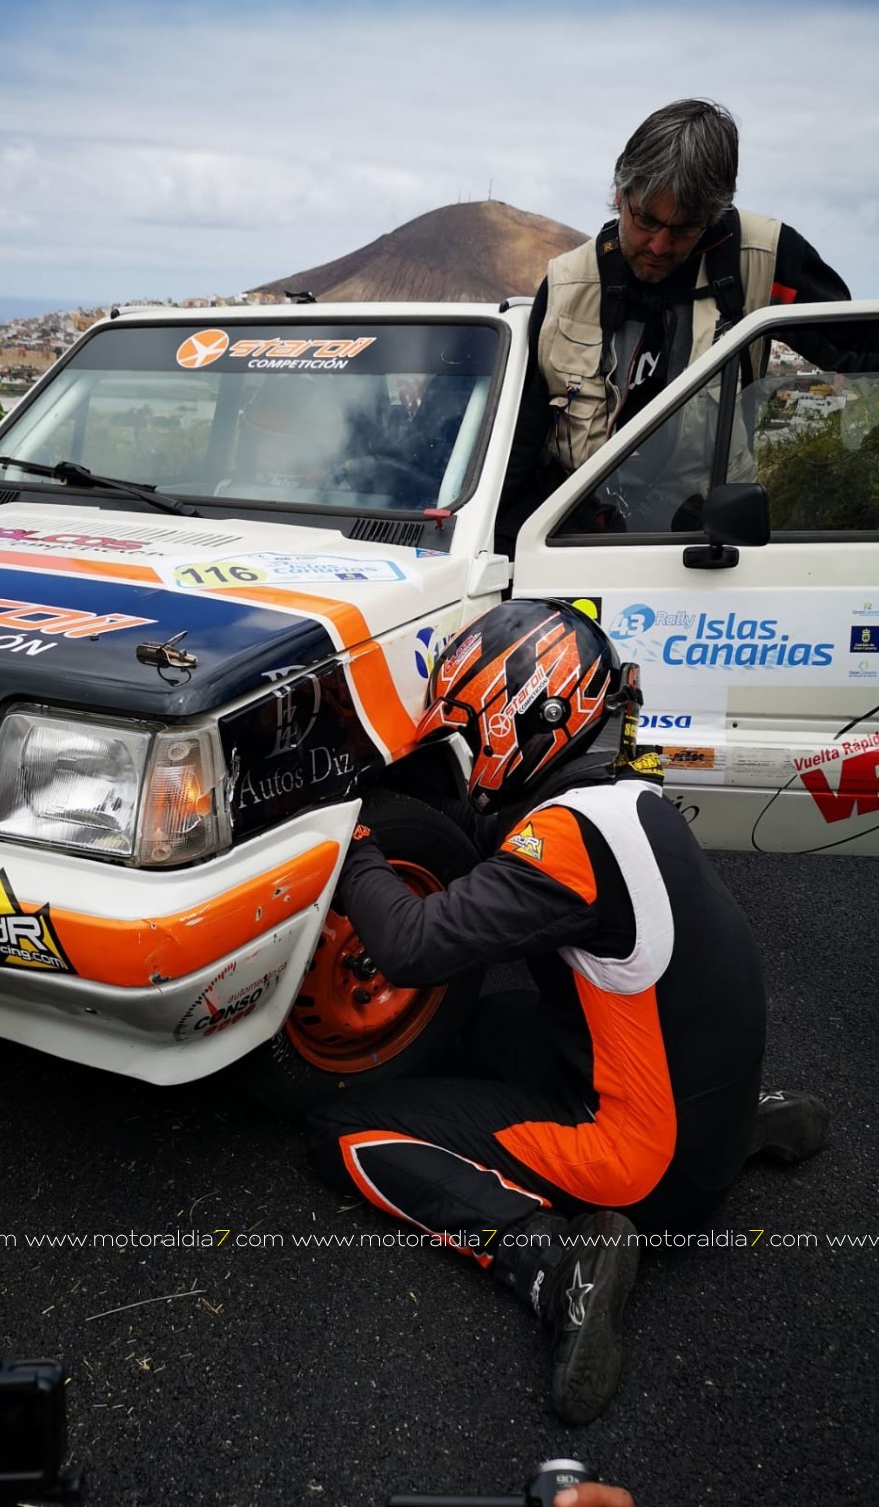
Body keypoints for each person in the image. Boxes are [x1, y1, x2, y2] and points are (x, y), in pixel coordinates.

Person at [307, 598, 828, 1426]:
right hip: (706, 1100)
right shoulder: (630, 801)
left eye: (474, 733)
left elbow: (407, 945)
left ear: (528, 717)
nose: (470, 754)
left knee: (352, 1129)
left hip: (650, 1170)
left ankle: (554, 1266)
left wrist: (356, 842)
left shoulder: (562, 844)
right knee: (489, 1027)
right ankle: (741, 1126)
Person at [495, 98, 852, 551]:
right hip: (578, 539)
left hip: (707, 541)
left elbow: (856, 345)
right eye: (645, 220)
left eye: (684, 229)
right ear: (620, 193)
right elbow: (520, 444)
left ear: (715, 215)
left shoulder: (764, 257)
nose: (660, 246)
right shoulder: (567, 284)